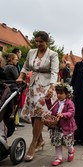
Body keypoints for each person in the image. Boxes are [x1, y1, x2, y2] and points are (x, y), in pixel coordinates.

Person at [16, 31, 59, 161]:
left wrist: (52, 87)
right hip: (33, 86)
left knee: (39, 114)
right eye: (37, 41)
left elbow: (54, 71)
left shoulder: (53, 54)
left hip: (46, 88)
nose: (38, 44)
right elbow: (25, 66)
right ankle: (40, 140)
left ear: (47, 42)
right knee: (34, 116)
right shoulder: (31, 52)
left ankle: (33, 143)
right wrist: (21, 76)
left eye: (41, 41)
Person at [45, 83, 76, 166]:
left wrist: (63, 115)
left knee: (67, 143)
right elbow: (50, 109)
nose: (58, 95)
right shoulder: (56, 102)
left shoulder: (69, 103)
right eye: (57, 93)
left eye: (61, 93)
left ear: (67, 94)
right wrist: (47, 100)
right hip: (57, 126)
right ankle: (59, 158)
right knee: (57, 142)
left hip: (67, 127)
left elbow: (71, 113)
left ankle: (71, 150)